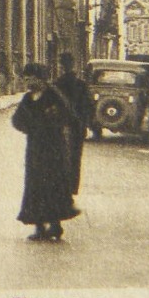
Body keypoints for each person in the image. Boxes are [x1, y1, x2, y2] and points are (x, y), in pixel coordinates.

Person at [12, 62, 80, 242]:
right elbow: (17, 120)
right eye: (25, 78)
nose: (26, 81)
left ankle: (56, 225)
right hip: (35, 148)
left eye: (29, 78)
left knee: (53, 184)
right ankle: (39, 227)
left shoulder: (54, 95)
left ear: (40, 78)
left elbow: (69, 116)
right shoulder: (27, 99)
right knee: (35, 185)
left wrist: (52, 122)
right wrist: (30, 128)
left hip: (53, 147)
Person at [52, 52, 93, 198]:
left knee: (59, 157)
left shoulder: (56, 85)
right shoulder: (81, 85)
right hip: (78, 126)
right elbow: (89, 106)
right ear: (73, 65)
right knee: (76, 158)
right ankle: (73, 188)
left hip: (60, 127)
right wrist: (85, 124)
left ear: (61, 66)